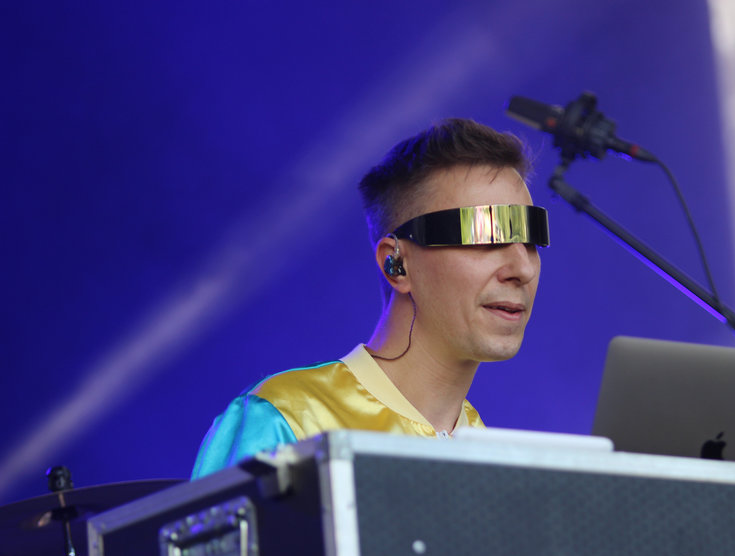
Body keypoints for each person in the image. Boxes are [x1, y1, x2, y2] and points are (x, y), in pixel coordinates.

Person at [191, 119, 549, 478]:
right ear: (397, 265)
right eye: (487, 237)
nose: (523, 268)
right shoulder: (285, 421)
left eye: (532, 240)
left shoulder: (499, 468)